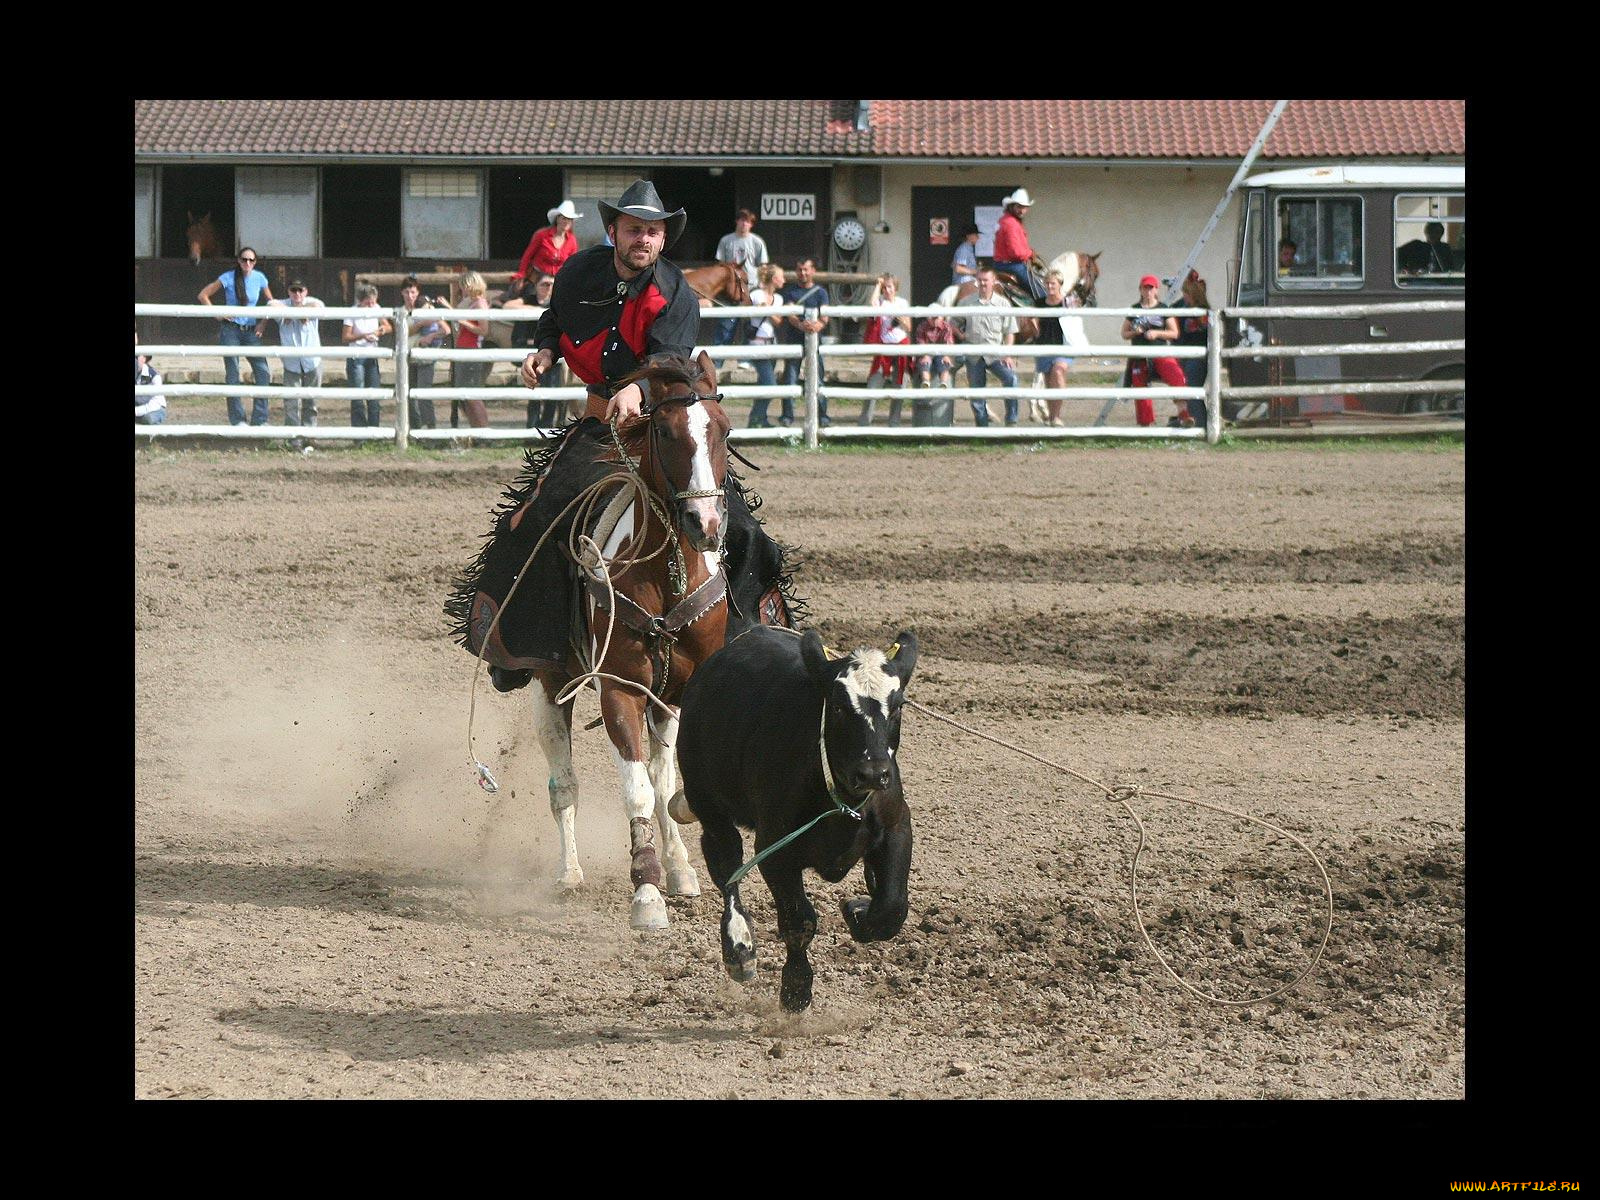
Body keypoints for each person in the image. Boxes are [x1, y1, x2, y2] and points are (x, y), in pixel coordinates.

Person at [478, 179, 790, 689]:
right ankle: (529, 646)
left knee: (742, 532)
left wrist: (640, 391)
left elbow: (669, 360)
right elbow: (556, 318)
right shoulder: (577, 272)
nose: (643, 239)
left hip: (667, 431)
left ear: (663, 239)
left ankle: (758, 647)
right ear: (613, 231)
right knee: (536, 518)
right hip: (602, 427)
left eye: (652, 231)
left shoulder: (676, 294)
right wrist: (545, 351)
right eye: (633, 229)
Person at [198, 246, 274, 426]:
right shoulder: (227, 277)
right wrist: (217, 313)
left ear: (255, 262)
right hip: (231, 330)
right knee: (233, 374)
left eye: (251, 260)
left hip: (250, 330)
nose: (247, 263)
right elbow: (203, 295)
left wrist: (262, 323)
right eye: (244, 260)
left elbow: (271, 302)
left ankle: (260, 420)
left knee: (263, 372)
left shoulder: (260, 278)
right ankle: (237, 420)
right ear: (238, 261)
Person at [955, 266, 1019, 426]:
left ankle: (1012, 420)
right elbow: (953, 323)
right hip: (974, 354)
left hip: (996, 353)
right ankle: (982, 427)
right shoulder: (966, 303)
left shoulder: (1003, 304)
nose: (983, 284)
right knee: (977, 392)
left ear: (993, 282)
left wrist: (1008, 354)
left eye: (986, 280)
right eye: (980, 280)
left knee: (1011, 379)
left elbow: (1010, 331)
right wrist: (961, 334)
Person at [1121, 273, 1185, 428]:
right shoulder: (1134, 309)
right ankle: (1146, 425)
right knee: (1140, 388)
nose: (1148, 291)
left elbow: (1174, 332)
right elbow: (1124, 333)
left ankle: (1184, 414)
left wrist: (1157, 333)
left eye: (1151, 288)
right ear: (1140, 290)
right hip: (1140, 355)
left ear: (1156, 290)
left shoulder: (1163, 308)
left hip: (1160, 352)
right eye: (1145, 288)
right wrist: (1135, 332)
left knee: (1178, 377)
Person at [779, 257, 831, 426]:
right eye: (800, 269)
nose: (802, 272)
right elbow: (790, 314)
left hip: (815, 342)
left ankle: (823, 416)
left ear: (813, 271)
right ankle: (787, 416)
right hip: (794, 339)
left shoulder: (821, 292)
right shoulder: (791, 292)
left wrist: (818, 325)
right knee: (790, 378)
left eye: (806, 269)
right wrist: (801, 325)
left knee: (819, 378)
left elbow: (825, 316)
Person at [1033, 269, 1089, 427]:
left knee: (1058, 373)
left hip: (1064, 346)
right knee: (1049, 384)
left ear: (1060, 285)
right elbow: (1033, 322)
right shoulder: (1039, 303)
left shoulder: (1068, 302)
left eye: (1053, 283)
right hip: (1044, 346)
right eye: (1048, 283)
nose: (1050, 286)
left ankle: (1056, 416)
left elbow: (1076, 322)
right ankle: (1052, 418)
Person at [268, 279, 325, 429]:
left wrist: (293, 312)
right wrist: (297, 313)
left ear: (306, 292)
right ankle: (292, 438)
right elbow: (271, 304)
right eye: (294, 290)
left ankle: (309, 435)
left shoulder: (312, 301)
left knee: (311, 402)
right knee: (291, 402)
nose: (297, 293)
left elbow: (319, 306)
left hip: (312, 361)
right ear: (289, 291)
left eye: (301, 290)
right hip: (291, 363)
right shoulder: (283, 304)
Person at [713, 208, 769, 347]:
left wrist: (763, 286)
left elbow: (763, 266)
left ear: (751, 224)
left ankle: (745, 360)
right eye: (742, 220)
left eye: (748, 221)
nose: (745, 224)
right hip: (730, 289)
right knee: (725, 325)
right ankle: (717, 362)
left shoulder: (757, 242)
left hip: (751, 288)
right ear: (737, 221)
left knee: (750, 326)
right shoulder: (726, 240)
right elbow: (719, 264)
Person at [861, 274, 912, 425]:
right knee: (873, 383)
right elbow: (872, 304)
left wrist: (900, 318)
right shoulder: (880, 302)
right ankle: (865, 421)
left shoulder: (903, 303)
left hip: (901, 344)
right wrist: (878, 284)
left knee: (900, 384)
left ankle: (894, 422)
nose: (887, 290)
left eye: (889, 287)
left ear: (895, 288)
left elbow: (908, 327)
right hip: (884, 346)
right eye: (884, 287)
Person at [400, 275, 449, 430]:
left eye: (413, 292)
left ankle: (430, 427)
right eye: (407, 292)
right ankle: (415, 427)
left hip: (425, 355)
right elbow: (402, 333)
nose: (410, 296)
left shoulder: (428, 309)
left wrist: (431, 335)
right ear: (402, 293)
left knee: (423, 391)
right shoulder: (401, 312)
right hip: (408, 355)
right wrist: (422, 324)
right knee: (408, 393)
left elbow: (445, 329)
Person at [342, 282, 392, 427]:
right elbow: (346, 337)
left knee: (374, 394)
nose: (371, 305)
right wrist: (363, 336)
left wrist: (381, 330)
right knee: (358, 396)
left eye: (373, 302)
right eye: (368, 302)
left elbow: (388, 326)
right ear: (360, 300)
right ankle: (360, 432)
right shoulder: (352, 312)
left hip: (372, 354)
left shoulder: (376, 308)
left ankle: (374, 429)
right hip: (356, 355)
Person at [745, 263, 786, 428]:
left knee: (764, 383)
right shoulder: (756, 294)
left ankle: (758, 419)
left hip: (771, 343)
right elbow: (745, 311)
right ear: (774, 279)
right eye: (781, 277)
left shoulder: (779, 299)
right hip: (757, 344)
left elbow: (778, 320)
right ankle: (756, 418)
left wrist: (766, 309)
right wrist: (763, 310)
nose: (783, 280)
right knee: (769, 384)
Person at [453, 271, 492, 429]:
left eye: (464, 286)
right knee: (466, 396)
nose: (462, 290)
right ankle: (476, 430)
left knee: (473, 396)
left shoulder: (480, 304)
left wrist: (463, 322)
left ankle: (484, 431)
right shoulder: (471, 302)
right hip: (464, 349)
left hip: (472, 349)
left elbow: (483, 330)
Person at [1172, 270, 1210, 428]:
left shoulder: (1204, 312)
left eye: (1186, 293)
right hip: (1184, 355)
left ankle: (1201, 425)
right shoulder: (1181, 307)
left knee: (1193, 390)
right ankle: (1190, 421)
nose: (1184, 296)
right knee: (1184, 391)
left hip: (1197, 357)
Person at [992, 189, 1044, 301]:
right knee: (1041, 292)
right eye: (1019, 206)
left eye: (1024, 207)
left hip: (1001, 264)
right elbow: (1016, 252)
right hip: (1012, 266)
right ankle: (1045, 314)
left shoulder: (1005, 221)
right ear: (1012, 206)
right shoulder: (1011, 224)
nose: (1022, 210)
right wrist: (1030, 253)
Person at [516, 200, 583, 283]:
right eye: (564, 218)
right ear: (557, 219)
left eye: (569, 219)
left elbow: (573, 263)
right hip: (537, 278)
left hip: (559, 279)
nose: (566, 222)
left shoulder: (572, 240)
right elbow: (527, 256)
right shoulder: (541, 235)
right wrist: (521, 274)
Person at [913, 310, 958, 389]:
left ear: (941, 318)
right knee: (924, 362)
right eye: (932, 318)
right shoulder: (922, 326)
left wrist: (946, 355)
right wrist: (925, 355)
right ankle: (926, 382)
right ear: (928, 319)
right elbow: (920, 342)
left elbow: (948, 343)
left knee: (945, 363)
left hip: (941, 351)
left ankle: (943, 383)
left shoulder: (946, 327)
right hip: (926, 351)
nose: (935, 320)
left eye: (936, 318)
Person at [134, 331, 166, 425]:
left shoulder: (152, 376)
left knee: (149, 418)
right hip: (139, 408)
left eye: (137, 356)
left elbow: (154, 404)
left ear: (144, 359)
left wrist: (136, 411)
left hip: (154, 409)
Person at [951, 222, 981, 287]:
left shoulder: (968, 248)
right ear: (968, 236)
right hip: (963, 284)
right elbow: (958, 269)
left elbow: (953, 265)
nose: (978, 237)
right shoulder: (964, 249)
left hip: (968, 282)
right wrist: (977, 271)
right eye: (976, 234)